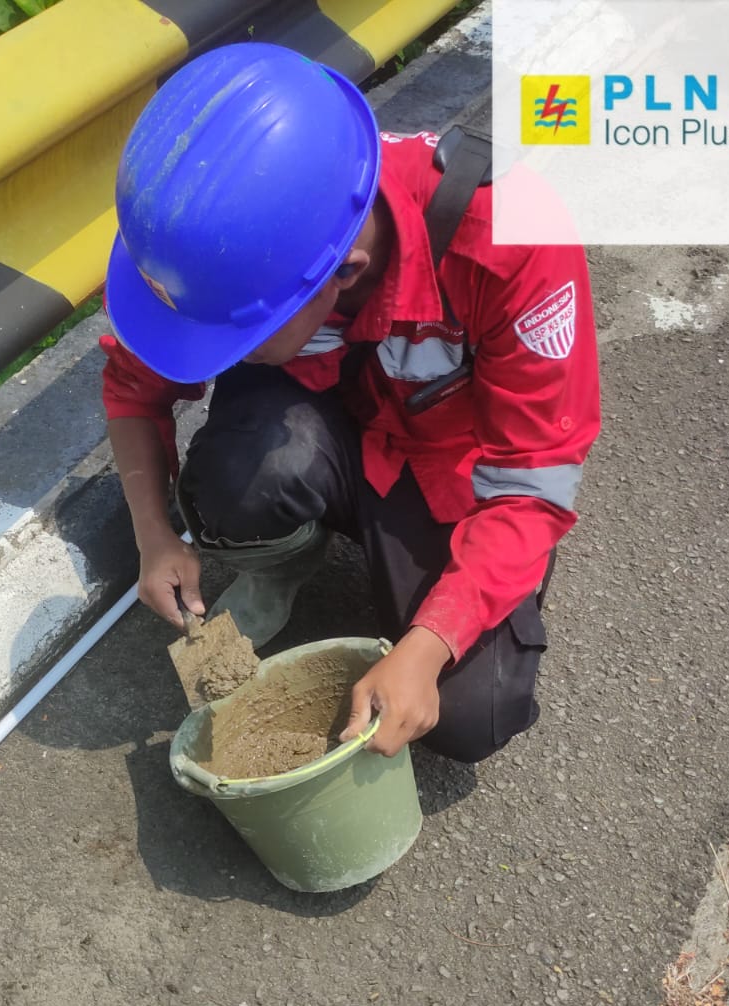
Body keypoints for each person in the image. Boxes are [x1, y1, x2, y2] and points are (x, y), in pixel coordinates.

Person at [101, 42, 600, 762]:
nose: (213, 358)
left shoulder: (513, 241)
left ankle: (405, 588)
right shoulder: (212, 240)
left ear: (345, 274)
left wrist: (427, 648)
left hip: (442, 468)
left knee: (470, 713)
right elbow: (132, 383)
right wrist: (155, 535)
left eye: (236, 335)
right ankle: (279, 569)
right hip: (321, 429)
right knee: (231, 481)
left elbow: (535, 479)